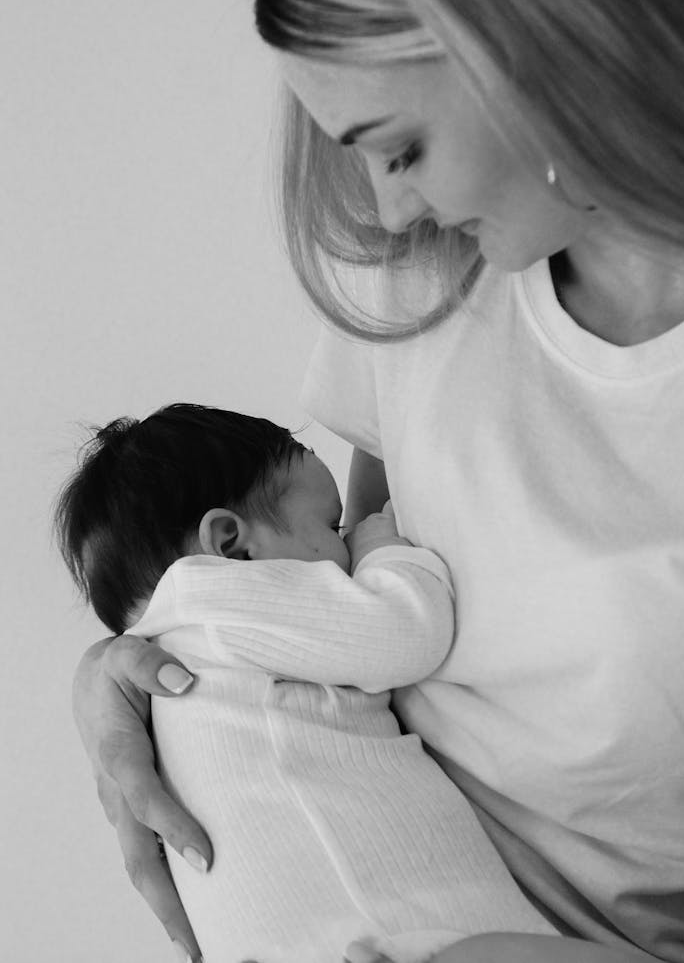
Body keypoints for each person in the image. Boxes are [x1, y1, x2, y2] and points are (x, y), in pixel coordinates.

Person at [71, 0, 684, 961]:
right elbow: (331, 575)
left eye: (404, 148)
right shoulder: (427, 273)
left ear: (542, 36)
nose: (387, 214)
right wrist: (135, 674)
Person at [56, 403, 557, 963]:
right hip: (390, 934)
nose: (346, 548)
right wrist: (382, 544)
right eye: (333, 525)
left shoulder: (175, 656)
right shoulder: (219, 599)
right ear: (232, 546)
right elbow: (407, 628)